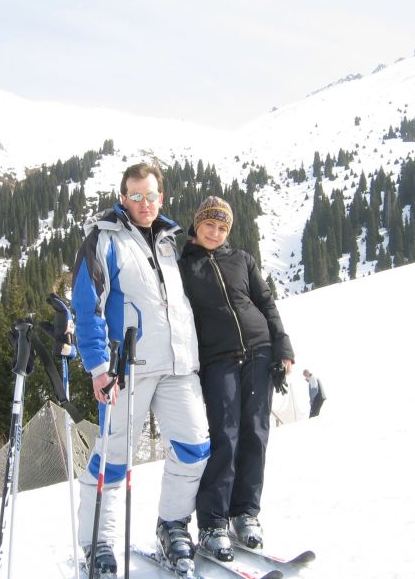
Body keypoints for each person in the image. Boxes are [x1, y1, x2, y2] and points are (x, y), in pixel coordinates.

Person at [71, 163, 211, 577]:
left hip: (179, 367)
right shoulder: (104, 239)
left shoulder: (168, 240)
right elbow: (87, 305)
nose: (145, 204)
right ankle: (97, 543)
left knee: (194, 448)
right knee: (113, 459)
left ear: (161, 198)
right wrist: (99, 367)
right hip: (127, 371)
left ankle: (172, 526)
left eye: (151, 196)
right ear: (123, 198)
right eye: (136, 196)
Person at [178, 196, 295, 562]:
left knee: (255, 434)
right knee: (224, 436)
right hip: (217, 359)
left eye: (222, 227)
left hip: (259, 352)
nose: (215, 233)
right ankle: (213, 521)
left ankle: (245, 512)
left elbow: (266, 303)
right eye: (209, 225)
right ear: (197, 224)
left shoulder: (242, 259)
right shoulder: (183, 268)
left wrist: (283, 347)